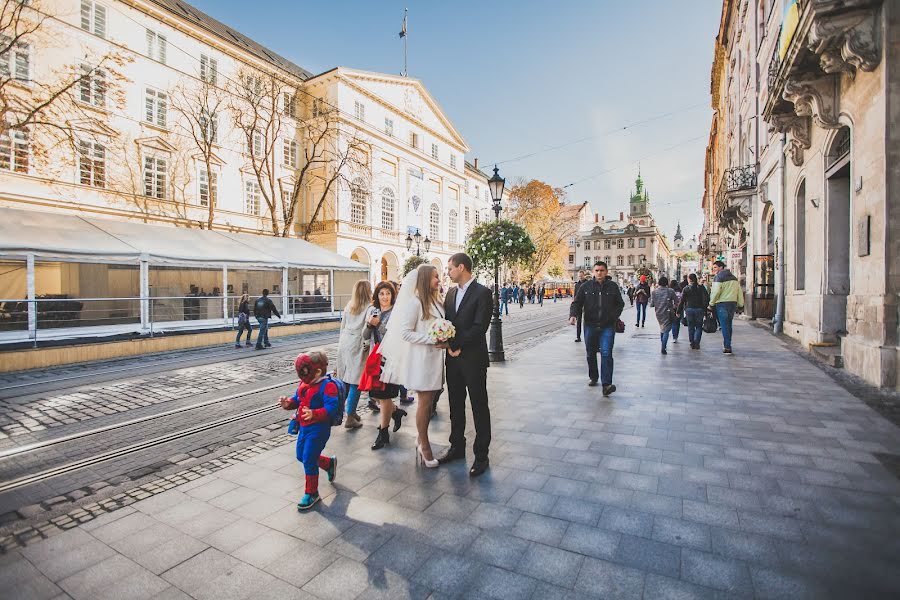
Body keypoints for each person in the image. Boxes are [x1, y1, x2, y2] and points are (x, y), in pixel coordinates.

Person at [380, 265, 447, 468]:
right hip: (421, 360)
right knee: (425, 403)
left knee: (430, 401)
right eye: (436, 277)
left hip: (435, 359)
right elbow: (405, 332)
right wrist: (431, 338)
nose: (439, 280)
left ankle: (421, 438)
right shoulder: (415, 302)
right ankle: (424, 444)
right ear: (426, 279)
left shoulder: (436, 301)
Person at [439, 253, 493, 476]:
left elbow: (480, 326)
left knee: (479, 406)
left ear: (461, 267)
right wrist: (448, 343)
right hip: (453, 359)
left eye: (450, 268)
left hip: (473, 358)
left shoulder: (483, 293)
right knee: (455, 404)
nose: (448, 272)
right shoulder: (450, 293)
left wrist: (458, 343)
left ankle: (481, 455)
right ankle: (457, 446)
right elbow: (446, 323)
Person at [279, 352, 338, 510]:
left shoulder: (328, 386)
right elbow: (298, 399)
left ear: (317, 372)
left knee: (309, 459)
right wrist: (288, 403)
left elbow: (332, 408)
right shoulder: (305, 384)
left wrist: (315, 413)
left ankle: (312, 493)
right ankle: (328, 463)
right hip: (304, 427)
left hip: (319, 429)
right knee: (301, 456)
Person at [569, 261, 624, 396]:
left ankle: (606, 385)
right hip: (590, 325)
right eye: (597, 270)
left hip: (607, 326)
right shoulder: (586, 286)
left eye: (602, 270)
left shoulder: (612, 287)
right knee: (590, 353)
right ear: (594, 272)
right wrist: (573, 315)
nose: (599, 273)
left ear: (606, 272)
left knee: (606, 353)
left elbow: (620, 304)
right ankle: (594, 376)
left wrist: (613, 316)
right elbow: (576, 303)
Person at [364, 281, 407, 450]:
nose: (385, 297)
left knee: (385, 395)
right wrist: (369, 324)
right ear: (377, 295)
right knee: (376, 394)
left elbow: (394, 335)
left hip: (390, 359)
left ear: (392, 295)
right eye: (381, 293)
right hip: (375, 358)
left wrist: (379, 324)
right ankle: (396, 412)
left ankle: (383, 433)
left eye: (388, 293)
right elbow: (365, 335)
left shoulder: (396, 313)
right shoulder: (372, 310)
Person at [336, 280, 372, 429]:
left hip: (344, 342)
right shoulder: (369, 308)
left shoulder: (349, 305)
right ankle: (350, 416)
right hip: (357, 344)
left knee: (345, 379)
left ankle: (341, 412)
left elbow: (342, 327)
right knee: (355, 382)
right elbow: (366, 331)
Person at [709, 260, 744, 354]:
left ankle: (727, 346)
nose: (714, 270)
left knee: (724, 325)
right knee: (729, 324)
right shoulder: (734, 278)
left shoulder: (718, 277)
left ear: (721, 267)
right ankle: (728, 343)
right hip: (732, 303)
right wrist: (740, 304)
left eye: (715, 267)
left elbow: (716, 292)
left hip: (722, 303)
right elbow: (739, 291)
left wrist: (711, 304)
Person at [680, 273, 709, 349]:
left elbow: (682, 301)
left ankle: (692, 342)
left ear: (689, 279)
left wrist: (678, 311)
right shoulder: (701, 288)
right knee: (699, 326)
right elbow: (706, 299)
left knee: (691, 326)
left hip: (689, 309)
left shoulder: (686, 288)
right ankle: (697, 342)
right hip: (699, 309)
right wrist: (705, 310)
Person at [650, 276, 678, 354]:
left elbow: (651, 304)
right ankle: (663, 347)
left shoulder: (654, 292)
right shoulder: (671, 291)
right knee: (666, 331)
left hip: (658, 313)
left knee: (662, 328)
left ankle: (663, 343)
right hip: (668, 313)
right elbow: (676, 301)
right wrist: (675, 308)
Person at [573, 270, 588, 342]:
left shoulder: (588, 283)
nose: (580, 277)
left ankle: (587, 337)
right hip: (579, 305)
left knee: (587, 321)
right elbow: (575, 296)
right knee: (578, 321)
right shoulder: (577, 285)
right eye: (579, 276)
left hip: (587, 305)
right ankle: (578, 337)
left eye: (581, 276)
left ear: (584, 275)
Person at [668, 279, 683, 344]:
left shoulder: (670, 291)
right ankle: (676, 336)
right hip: (680, 308)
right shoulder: (680, 290)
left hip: (672, 309)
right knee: (678, 323)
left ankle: (674, 337)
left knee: (673, 323)